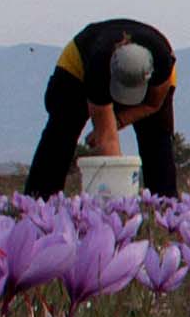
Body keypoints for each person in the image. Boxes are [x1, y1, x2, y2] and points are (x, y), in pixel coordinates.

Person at [24, 17, 177, 197]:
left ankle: (165, 203)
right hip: (79, 67)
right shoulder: (98, 67)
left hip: (150, 74)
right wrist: (117, 197)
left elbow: (152, 104)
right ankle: (38, 200)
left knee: (157, 135)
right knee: (62, 128)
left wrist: (119, 120)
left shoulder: (162, 62)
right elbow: (107, 139)